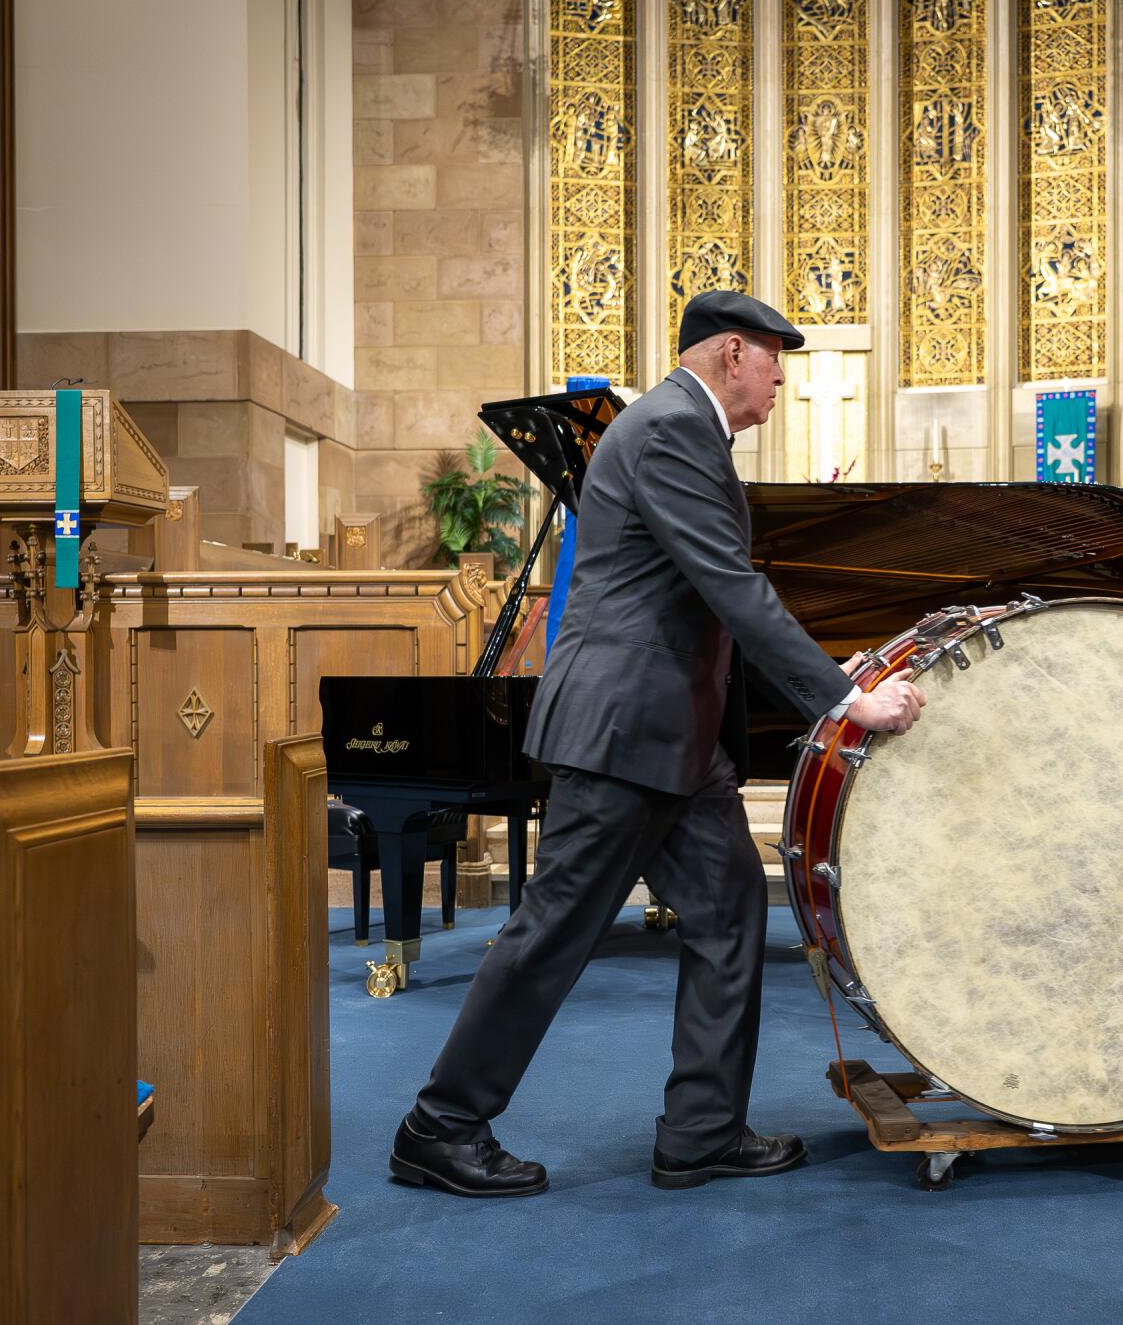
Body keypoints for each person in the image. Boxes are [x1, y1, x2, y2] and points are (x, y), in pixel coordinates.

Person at [390, 290, 926, 1197]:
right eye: (770, 357)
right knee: (555, 928)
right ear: (727, 355)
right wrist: (849, 699)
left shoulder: (678, 430)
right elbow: (730, 586)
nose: (781, 376)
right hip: (622, 732)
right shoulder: (672, 429)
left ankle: (701, 1133)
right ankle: (438, 1126)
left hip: (669, 740)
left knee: (727, 910)